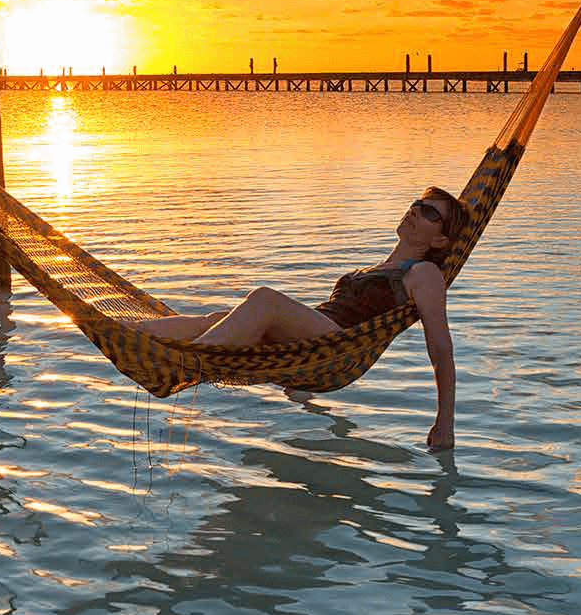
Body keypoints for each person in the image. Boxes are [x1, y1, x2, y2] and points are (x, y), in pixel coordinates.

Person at [133, 186, 467, 450]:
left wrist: (445, 423)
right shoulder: (378, 267)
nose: (414, 211)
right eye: (416, 203)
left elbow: (440, 349)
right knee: (222, 317)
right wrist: (293, 374)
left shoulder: (424, 273)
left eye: (428, 212)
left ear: (440, 239)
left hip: (337, 347)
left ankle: (181, 367)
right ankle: (128, 332)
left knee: (265, 299)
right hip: (311, 340)